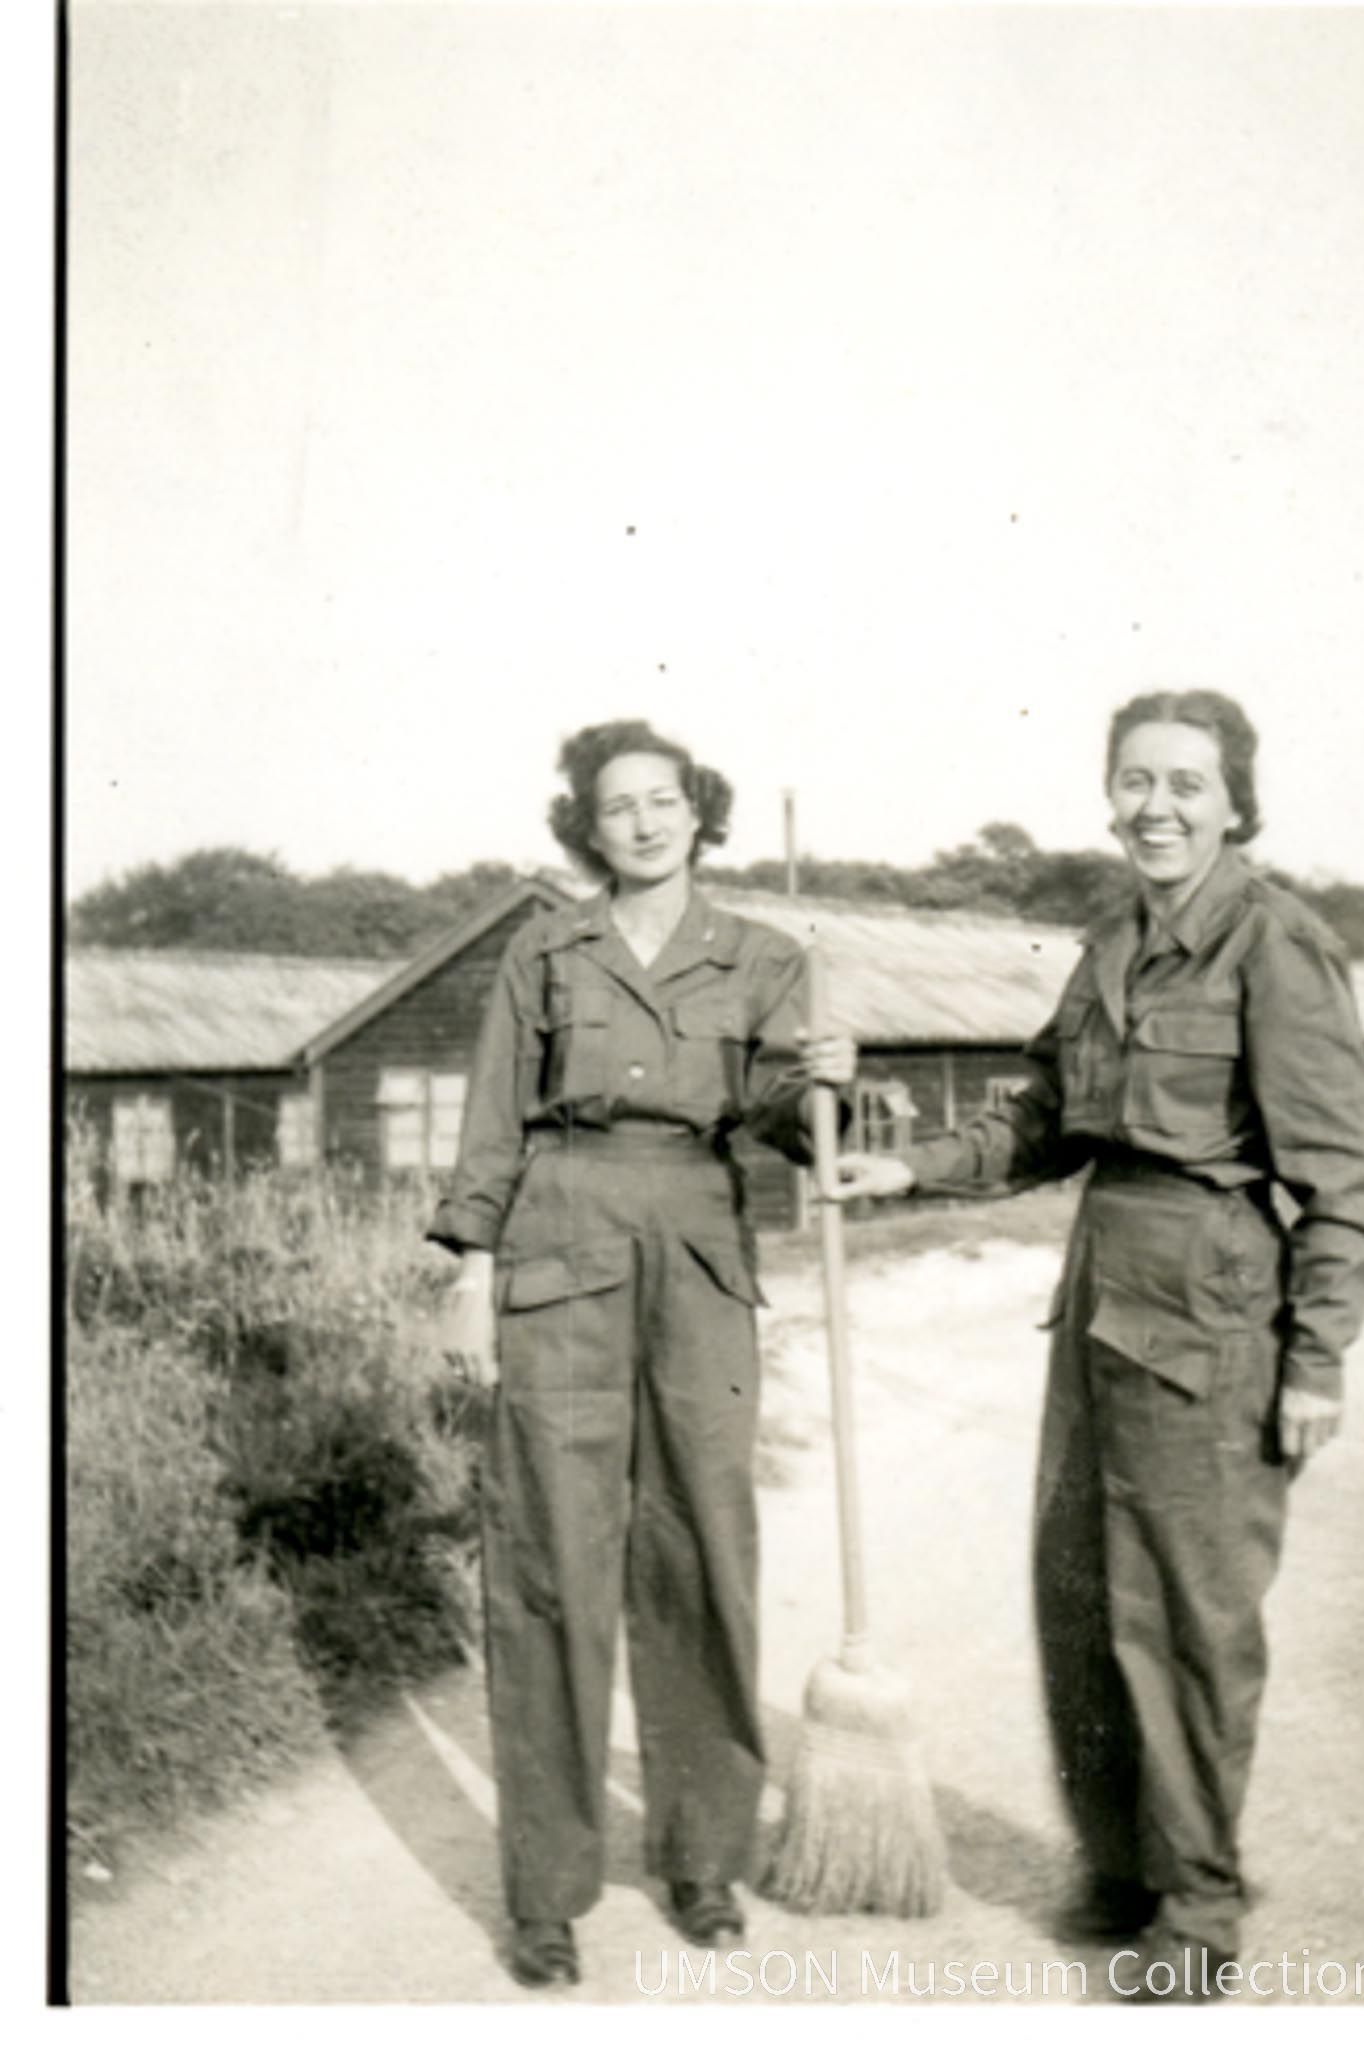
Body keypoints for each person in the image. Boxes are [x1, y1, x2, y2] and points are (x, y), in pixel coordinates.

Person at [832, 690, 1364, 1999]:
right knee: (1079, 1595)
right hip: (1100, 1289)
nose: (1156, 806)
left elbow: (1344, 1176)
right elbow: (1041, 1118)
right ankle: (1123, 1865)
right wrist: (902, 1168)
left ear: (1234, 801)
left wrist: (1315, 1358)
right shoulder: (1110, 943)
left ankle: (1197, 1913)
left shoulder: (1274, 942)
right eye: (1135, 780)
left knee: (1183, 1617)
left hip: (1211, 1299)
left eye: (1185, 783)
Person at [427, 718, 854, 1990]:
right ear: (588, 827)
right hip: (561, 1234)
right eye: (617, 805)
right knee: (552, 1556)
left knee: (702, 1545)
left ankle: (702, 1856)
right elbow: (494, 1117)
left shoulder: (766, 955)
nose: (645, 820)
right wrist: (470, 1267)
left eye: (664, 798)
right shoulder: (543, 949)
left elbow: (787, 1120)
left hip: (701, 1244)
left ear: (698, 811)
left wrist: (827, 1080)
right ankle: (547, 1888)